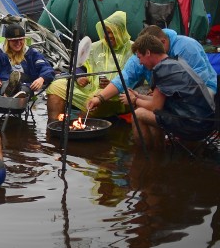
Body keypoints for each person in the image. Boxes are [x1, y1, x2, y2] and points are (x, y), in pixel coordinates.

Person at [111, 32, 215, 148]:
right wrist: (138, 96)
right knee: (152, 113)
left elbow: (156, 107)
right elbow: (160, 100)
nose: (140, 62)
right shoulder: (173, 62)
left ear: (148, 52)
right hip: (206, 121)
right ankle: (158, 150)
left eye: (140, 57)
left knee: (138, 114)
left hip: (192, 125)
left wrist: (134, 100)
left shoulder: (161, 70)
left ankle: (146, 158)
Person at [87, 25, 217, 112]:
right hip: (165, 92)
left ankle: (186, 140)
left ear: (162, 42)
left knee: (150, 109)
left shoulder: (187, 47)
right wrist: (100, 98)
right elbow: (125, 76)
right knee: (141, 107)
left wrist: (158, 92)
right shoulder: (143, 53)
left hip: (202, 90)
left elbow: (197, 81)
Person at [46, 11, 133, 121]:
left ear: (121, 31)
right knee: (56, 86)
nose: (108, 36)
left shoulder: (133, 49)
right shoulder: (94, 47)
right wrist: (79, 76)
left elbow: (139, 79)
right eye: (106, 32)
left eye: (112, 32)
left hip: (118, 96)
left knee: (99, 95)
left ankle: (79, 127)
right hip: (90, 88)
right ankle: (54, 125)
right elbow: (78, 66)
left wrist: (114, 86)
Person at [0, 23, 55, 99]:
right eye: (14, 40)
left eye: (21, 40)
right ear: (7, 41)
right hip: (3, 84)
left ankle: (15, 95)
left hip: (25, 85)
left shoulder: (32, 53)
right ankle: (11, 95)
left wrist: (42, 78)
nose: (18, 43)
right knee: (7, 84)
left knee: (24, 87)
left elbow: (46, 68)